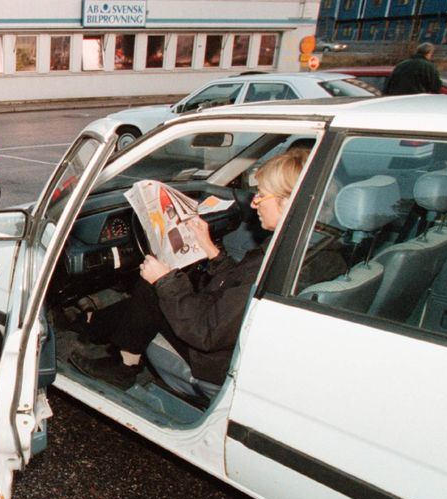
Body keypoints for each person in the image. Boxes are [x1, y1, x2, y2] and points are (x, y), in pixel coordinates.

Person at [73, 143, 313, 393]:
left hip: (212, 360)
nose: (254, 203)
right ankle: (93, 323)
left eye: (261, 195)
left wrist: (165, 280)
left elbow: (205, 332)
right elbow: (237, 287)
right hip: (228, 339)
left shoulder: (273, 263)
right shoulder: (299, 251)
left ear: (286, 203)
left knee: (155, 286)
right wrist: (212, 252)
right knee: (163, 283)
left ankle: (123, 363)